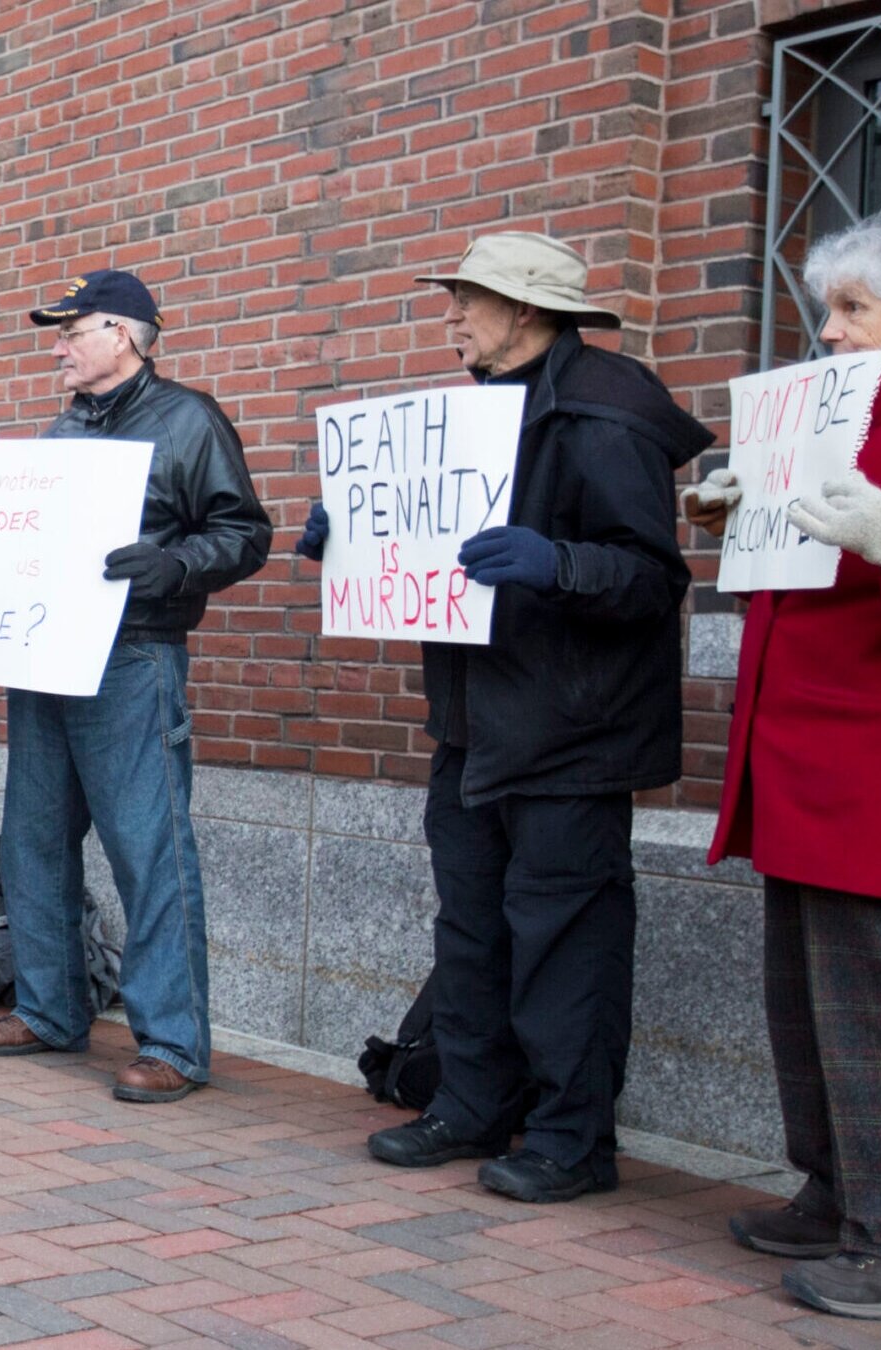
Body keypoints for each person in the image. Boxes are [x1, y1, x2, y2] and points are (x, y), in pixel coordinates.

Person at [300, 232, 711, 1202]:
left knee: (567, 940)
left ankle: (572, 1141)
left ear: (525, 311)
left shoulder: (607, 417)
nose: (449, 318)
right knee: (473, 930)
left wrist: (559, 562)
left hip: (576, 731)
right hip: (477, 722)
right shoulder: (465, 417)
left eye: (466, 302)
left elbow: (654, 578)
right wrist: (357, 539)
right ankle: (473, 1106)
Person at [685, 213, 881, 1320]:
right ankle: (839, 1191)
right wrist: (751, 517)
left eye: (854, 310)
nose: (829, 332)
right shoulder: (845, 410)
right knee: (809, 1003)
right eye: (826, 309)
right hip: (805, 761)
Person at [0, 269, 271, 1103]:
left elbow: (244, 532)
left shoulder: (188, 419)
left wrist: (174, 565)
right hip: (49, 657)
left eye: (72, 331)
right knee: (31, 843)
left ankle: (172, 1041)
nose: (58, 347)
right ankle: (50, 1008)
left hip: (133, 660)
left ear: (127, 335)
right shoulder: (64, 430)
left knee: (150, 854)